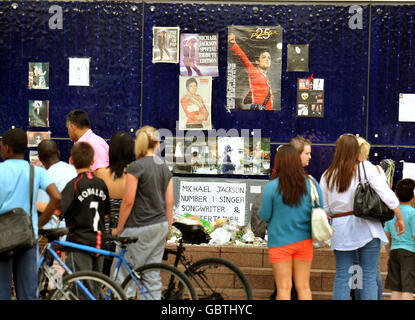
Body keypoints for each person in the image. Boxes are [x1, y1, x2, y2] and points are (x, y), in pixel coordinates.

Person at [319, 133, 405, 300]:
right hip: (367, 226)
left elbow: (326, 209)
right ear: (355, 150)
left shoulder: (327, 175)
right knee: (369, 275)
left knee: (343, 275)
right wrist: (399, 216)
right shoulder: (366, 167)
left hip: (341, 229)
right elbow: (385, 193)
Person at [111, 126, 173, 299]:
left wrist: (118, 229)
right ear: (156, 143)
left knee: (123, 273)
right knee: (151, 274)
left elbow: (128, 201)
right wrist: (167, 228)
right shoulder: (164, 168)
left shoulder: (136, 167)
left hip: (138, 227)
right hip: (159, 226)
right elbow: (170, 201)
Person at [0, 128, 61, 300]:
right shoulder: (36, 171)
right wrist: (40, 223)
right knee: (28, 294)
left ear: (6, 148)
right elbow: (56, 197)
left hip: (2, 240)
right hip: (28, 238)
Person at [259, 145, 324, 300]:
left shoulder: (272, 186)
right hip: (304, 241)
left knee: (283, 288)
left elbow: (264, 215)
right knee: (304, 287)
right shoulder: (311, 182)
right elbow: (319, 207)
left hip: (279, 242)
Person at [52, 142, 110, 274]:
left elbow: (58, 211)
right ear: (93, 161)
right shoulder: (101, 184)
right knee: (95, 285)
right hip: (99, 242)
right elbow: (106, 214)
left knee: (81, 286)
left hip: (79, 243)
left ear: (71, 161)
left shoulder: (73, 185)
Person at [94, 131, 135, 275]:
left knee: (101, 273)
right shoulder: (134, 174)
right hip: (126, 229)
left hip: (104, 230)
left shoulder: (100, 173)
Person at [36, 139, 77, 235]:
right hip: (75, 228)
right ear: (58, 153)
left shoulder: (45, 177)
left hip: (57, 231)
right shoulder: (72, 169)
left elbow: (46, 209)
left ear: (39, 158)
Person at [384, 178, 415, 300]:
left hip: (394, 251)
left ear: (395, 195)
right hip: (409, 253)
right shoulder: (413, 213)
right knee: (408, 289)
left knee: (396, 289)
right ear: (413, 196)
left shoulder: (393, 213)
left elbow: (386, 235)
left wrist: (388, 254)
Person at [228, 33, 276, 110]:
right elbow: (244, 58)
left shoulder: (265, 77)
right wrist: (234, 44)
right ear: (257, 61)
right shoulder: (254, 72)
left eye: (269, 58)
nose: (267, 59)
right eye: (264, 57)